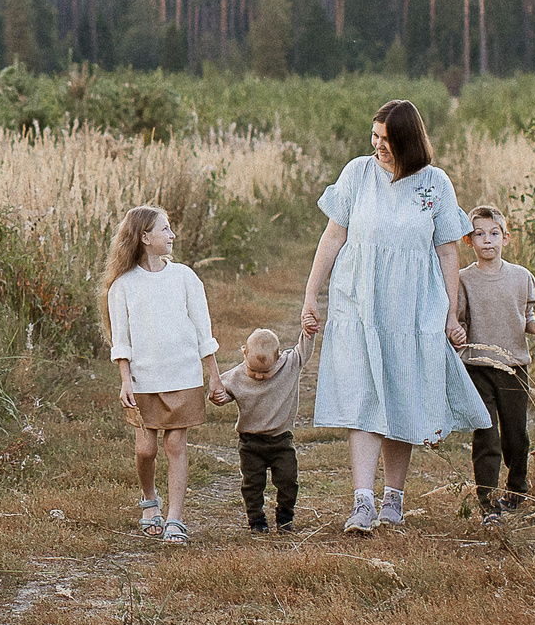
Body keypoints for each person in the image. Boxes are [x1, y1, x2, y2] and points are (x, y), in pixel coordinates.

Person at [298, 99, 492, 535]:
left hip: (413, 306)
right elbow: (333, 236)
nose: (377, 146)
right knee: (363, 393)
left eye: (386, 140)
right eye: (374, 137)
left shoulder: (434, 184)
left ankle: (393, 498)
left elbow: (447, 250)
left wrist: (449, 311)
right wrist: (312, 293)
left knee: (401, 393)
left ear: (407, 140)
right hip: (359, 300)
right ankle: (362, 502)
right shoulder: (357, 173)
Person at [104, 204, 218, 546]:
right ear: (145, 237)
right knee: (145, 449)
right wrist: (125, 380)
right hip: (142, 379)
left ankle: (175, 519)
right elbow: (121, 341)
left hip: (183, 374)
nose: (172, 235)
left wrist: (214, 376)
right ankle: (149, 499)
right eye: (165, 229)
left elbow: (203, 330)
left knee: (174, 443)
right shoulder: (122, 286)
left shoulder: (184, 277)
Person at [456, 204, 535, 523]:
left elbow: (527, 318)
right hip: (478, 366)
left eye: (494, 234)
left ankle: (516, 488)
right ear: (469, 241)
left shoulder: (522, 278)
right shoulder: (462, 280)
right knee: (486, 433)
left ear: (506, 239)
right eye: (479, 234)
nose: (487, 241)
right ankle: (487, 500)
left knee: (516, 435)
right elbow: (459, 321)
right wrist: (455, 334)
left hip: (514, 367)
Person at [211, 327, 302, 533]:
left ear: (278, 359)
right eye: (253, 371)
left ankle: (285, 517)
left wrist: (309, 330)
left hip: (281, 441)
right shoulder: (236, 375)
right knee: (252, 484)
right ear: (244, 354)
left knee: (288, 480)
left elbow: (304, 348)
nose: (259, 376)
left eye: (265, 372)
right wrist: (219, 397)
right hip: (250, 443)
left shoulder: (290, 365)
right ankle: (256, 521)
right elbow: (222, 392)